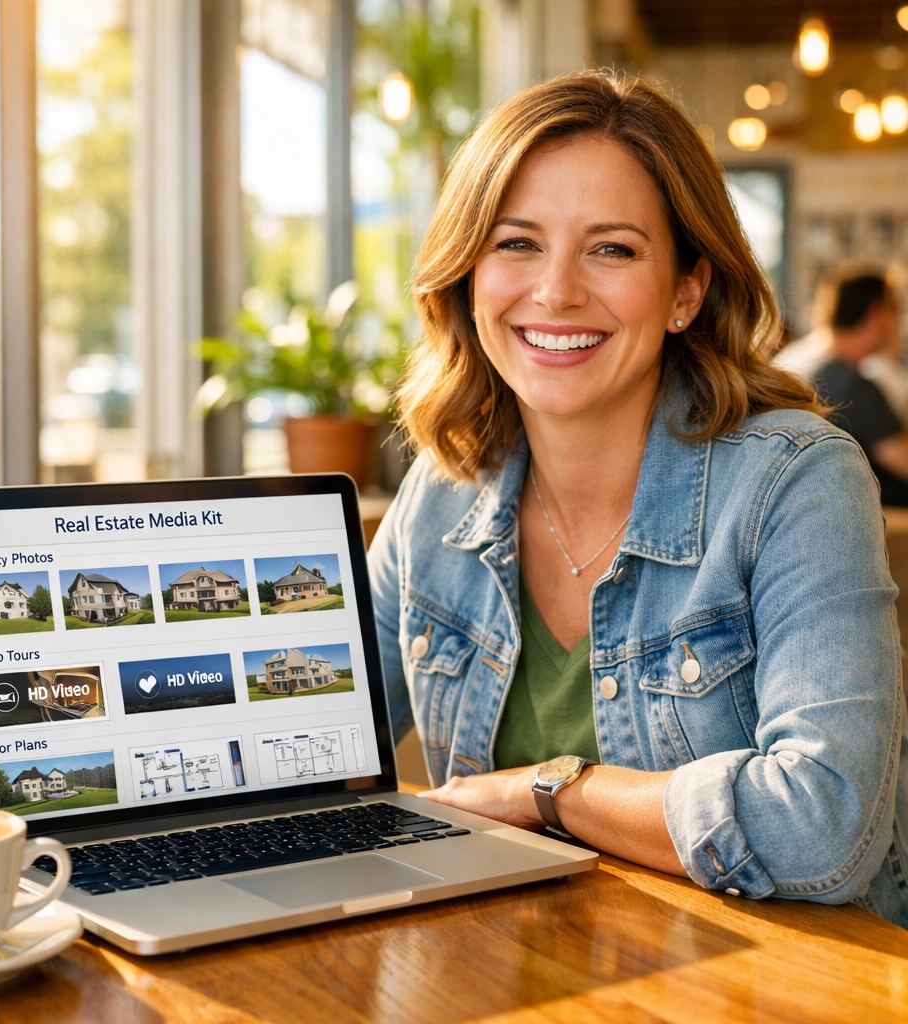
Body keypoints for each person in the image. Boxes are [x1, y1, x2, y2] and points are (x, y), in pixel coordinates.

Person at [368, 71, 908, 928]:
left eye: (611, 248)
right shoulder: (439, 495)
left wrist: (553, 794)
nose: (555, 292)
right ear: (469, 273)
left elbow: (825, 827)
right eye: (516, 242)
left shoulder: (797, 482)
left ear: (686, 292)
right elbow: (318, 752)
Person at [807, 275, 908, 507]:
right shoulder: (853, 386)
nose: (899, 323)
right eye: (896, 312)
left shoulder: (822, 372)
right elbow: (903, 462)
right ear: (877, 313)